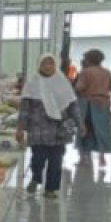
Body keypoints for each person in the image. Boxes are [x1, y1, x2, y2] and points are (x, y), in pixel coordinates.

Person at [17, 54, 80, 199]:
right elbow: (25, 108)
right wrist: (20, 128)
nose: (48, 66)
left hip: (59, 130)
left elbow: (72, 105)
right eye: (44, 63)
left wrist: (80, 123)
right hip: (38, 129)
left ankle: (51, 189)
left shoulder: (62, 82)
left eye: (51, 63)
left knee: (56, 161)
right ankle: (36, 178)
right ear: (39, 65)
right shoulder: (32, 83)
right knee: (38, 159)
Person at [74, 49, 111, 167]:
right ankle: (102, 157)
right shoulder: (107, 72)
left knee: (85, 129)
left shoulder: (86, 72)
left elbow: (79, 88)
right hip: (104, 104)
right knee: (102, 130)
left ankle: (83, 157)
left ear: (88, 59)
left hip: (87, 104)